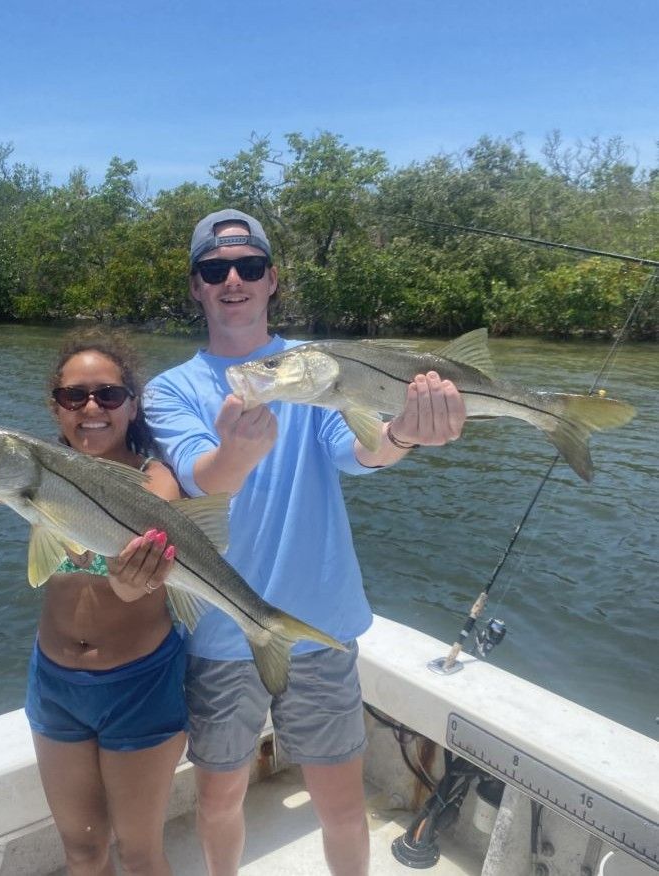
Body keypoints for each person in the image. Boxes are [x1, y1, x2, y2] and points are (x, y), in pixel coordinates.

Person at [143, 209, 467, 876]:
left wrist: (405, 433)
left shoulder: (317, 368)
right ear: (198, 286)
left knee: (342, 806)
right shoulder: (169, 389)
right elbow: (201, 478)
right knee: (219, 798)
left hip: (321, 624)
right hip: (224, 630)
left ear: (271, 280)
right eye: (215, 269)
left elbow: (356, 450)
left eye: (249, 266)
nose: (233, 279)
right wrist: (236, 455)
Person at [0, 328, 186, 876]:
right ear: (56, 409)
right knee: (81, 851)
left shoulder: (155, 480)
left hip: (140, 683)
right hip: (55, 683)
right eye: (74, 397)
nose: (92, 408)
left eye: (108, 395)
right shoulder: (35, 471)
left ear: (131, 406)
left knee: (140, 852)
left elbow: (145, 575)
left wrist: (134, 584)